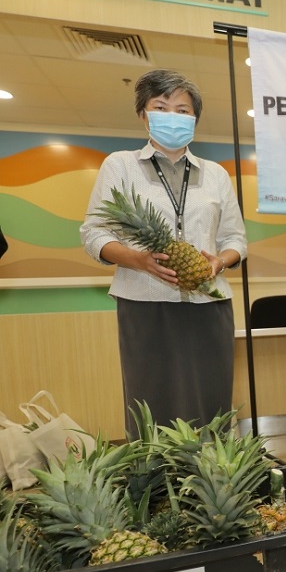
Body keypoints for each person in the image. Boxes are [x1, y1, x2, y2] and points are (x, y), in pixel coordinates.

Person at [80, 69, 247, 438]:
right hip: (144, 303)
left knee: (211, 401)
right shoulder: (120, 165)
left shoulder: (216, 174)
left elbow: (236, 238)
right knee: (150, 402)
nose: (173, 116)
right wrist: (137, 259)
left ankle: (213, 480)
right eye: (161, 107)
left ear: (196, 119)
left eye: (183, 110)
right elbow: (93, 232)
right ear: (144, 114)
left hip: (210, 303)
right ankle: (156, 489)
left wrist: (220, 260)